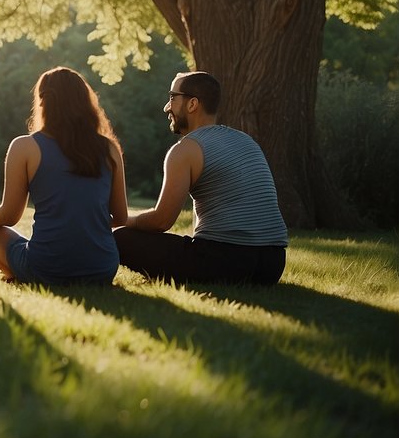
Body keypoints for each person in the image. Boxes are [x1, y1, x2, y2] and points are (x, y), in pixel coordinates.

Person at [114, 71, 288, 285]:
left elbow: (161, 221)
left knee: (121, 238)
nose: (166, 107)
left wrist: (123, 220)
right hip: (272, 265)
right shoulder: (245, 141)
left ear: (192, 104)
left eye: (172, 98)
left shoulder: (185, 149)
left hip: (225, 262)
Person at [0, 67, 128, 285]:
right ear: (85, 102)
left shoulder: (24, 147)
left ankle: (16, 273)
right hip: (102, 269)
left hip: (46, 269)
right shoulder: (109, 149)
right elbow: (121, 217)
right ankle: (18, 272)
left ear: (42, 102)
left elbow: (8, 218)